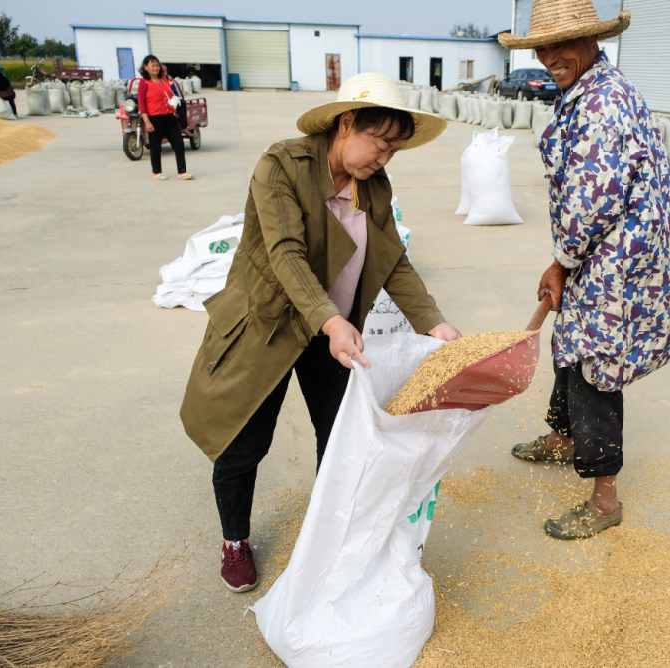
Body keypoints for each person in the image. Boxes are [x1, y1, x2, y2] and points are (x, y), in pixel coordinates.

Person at [179, 72, 460, 592]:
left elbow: (392, 260)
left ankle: (329, 532)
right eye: (380, 144)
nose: (385, 159)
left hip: (331, 331)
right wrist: (330, 319)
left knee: (339, 439)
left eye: (395, 150)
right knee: (244, 440)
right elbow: (284, 253)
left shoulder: (373, 186)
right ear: (346, 123)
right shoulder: (281, 165)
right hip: (267, 323)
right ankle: (235, 540)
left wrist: (434, 322)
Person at [498, 0, 670, 540]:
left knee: (593, 366)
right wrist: (568, 262)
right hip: (604, 253)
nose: (552, 57)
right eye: (543, 47)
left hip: (616, 259)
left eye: (563, 45)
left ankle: (605, 500)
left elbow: (593, 203)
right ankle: (562, 438)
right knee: (570, 342)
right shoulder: (591, 90)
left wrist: (562, 262)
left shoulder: (602, 103)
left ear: (593, 41)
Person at [137, 55, 192, 180]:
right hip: (155, 118)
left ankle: (182, 172)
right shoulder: (144, 83)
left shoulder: (164, 79)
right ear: (145, 67)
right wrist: (147, 121)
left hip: (169, 116)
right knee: (155, 147)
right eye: (153, 66)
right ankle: (157, 172)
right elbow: (142, 104)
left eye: (157, 65)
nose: (156, 68)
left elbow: (172, 93)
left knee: (178, 144)